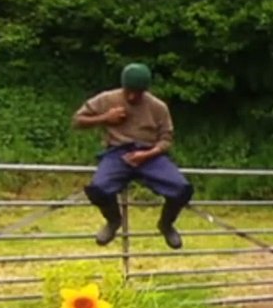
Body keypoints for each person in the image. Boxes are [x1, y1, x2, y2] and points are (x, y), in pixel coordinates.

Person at [72, 63, 193, 249]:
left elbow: (166, 139)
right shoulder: (107, 99)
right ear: (123, 86)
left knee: (182, 188)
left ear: (145, 90)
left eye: (138, 92)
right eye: (129, 91)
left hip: (150, 153)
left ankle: (166, 224)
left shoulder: (158, 107)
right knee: (97, 188)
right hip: (117, 152)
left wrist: (147, 154)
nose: (132, 96)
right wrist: (105, 118)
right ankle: (113, 221)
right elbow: (77, 121)